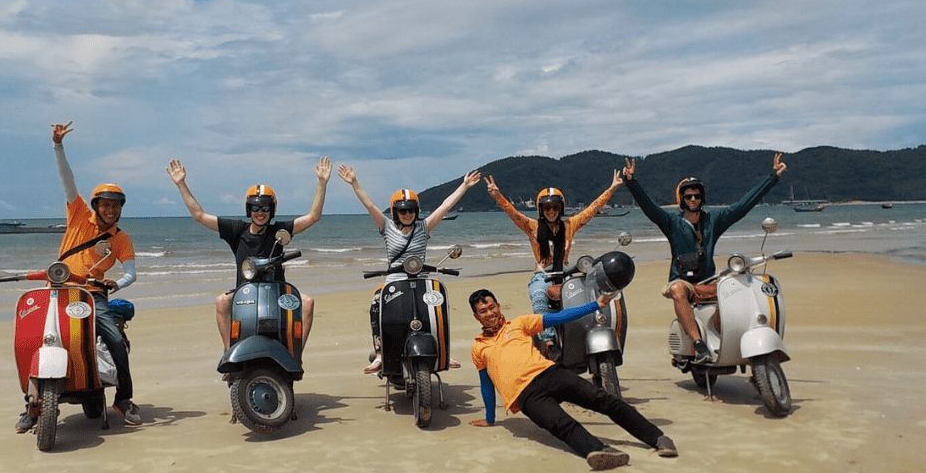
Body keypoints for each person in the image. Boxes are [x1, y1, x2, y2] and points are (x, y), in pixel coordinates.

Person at [16, 121, 140, 432]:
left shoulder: (121, 238)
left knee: (114, 341)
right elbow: (67, 179)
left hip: (92, 296)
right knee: (31, 339)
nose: (110, 210)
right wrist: (58, 145)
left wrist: (116, 283)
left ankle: (124, 399)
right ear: (96, 205)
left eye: (115, 206)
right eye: (105, 205)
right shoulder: (79, 215)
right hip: (56, 290)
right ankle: (31, 405)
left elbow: (131, 273)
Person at [468, 288, 678, 470]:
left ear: (498, 306)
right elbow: (486, 383)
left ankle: (657, 438)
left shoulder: (519, 324)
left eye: (492, 307)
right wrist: (489, 418)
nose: (490, 313)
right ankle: (598, 451)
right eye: (483, 311)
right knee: (561, 424)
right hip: (524, 395)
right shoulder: (479, 347)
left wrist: (595, 305)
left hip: (549, 374)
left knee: (602, 400)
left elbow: (560, 317)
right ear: (477, 316)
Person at [621, 153, 787, 364]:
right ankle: (699, 344)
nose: (693, 199)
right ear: (682, 198)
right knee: (677, 290)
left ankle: (728, 335)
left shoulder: (713, 221)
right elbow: (648, 207)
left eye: (697, 196)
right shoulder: (671, 222)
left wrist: (773, 177)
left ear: (702, 198)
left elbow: (743, 206)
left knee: (738, 285)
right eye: (688, 196)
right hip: (684, 281)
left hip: (709, 280)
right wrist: (631, 182)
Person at [167, 157, 332, 351]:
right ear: (248, 209)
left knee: (307, 303)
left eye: (264, 208)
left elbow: (313, 217)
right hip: (245, 294)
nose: (259, 212)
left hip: (277, 292)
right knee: (221, 302)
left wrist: (322, 183)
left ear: (272, 210)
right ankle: (229, 352)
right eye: (255, 208)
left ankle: (296, 353)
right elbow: (200, 216)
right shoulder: (237, 230)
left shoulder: (279, 231)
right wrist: (181, 184)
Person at [337, 165, 481, 373]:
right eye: (402, 210)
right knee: (376, 304)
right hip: (394, 280)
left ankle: (442, 352)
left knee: (438, 307)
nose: (407, 214)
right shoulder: (386, 227)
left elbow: (444, 206)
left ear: (417, 211)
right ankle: (379, 355)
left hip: (421, 279)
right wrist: (354, 183)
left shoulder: (424, 227)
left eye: (411, 210)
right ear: (395, 211)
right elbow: (369, 205)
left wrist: (464, 186)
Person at [484, 169, 624, 353]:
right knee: (539, 297)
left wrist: (612, 188)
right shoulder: (532, 226)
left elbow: (593, 209)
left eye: (555, 207)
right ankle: (549, 343)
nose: (551, 211)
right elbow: (513, 213)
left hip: (565, 275)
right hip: (542, 276)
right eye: (547, 207)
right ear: (541, 209)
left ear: (561, 208)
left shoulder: (569, 226)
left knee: (587, 296)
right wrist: (497, 195)